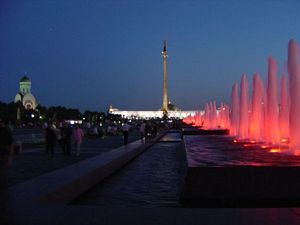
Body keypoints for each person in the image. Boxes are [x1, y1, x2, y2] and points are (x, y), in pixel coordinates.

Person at [0, 119, 14, 189]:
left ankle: (4, 189)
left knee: (3, 173)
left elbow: (11, 144)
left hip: (3, 154)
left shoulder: (6, 130)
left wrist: (10, 157)